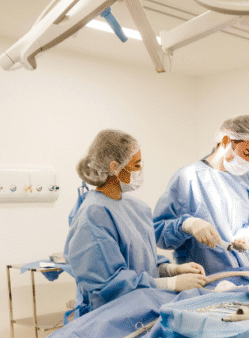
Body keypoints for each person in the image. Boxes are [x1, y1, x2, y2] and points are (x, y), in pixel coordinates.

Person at [65, 129, 206, 317]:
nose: (140, 171)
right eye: (136, 165)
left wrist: (171, 270)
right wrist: (169, 284)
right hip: (110, 320)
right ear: (115, 167)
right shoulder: (93, 214)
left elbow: (141, 265)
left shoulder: (137, 208)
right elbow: (108, 284)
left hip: (143, 310)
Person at [153, 115, 249, 274]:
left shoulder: (247, 180)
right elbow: (158, 231)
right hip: (201, 278)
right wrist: (188, 224)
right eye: (246, 153)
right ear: (225, 142)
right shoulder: (188, 178)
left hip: (242, 276)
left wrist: (248, 236)